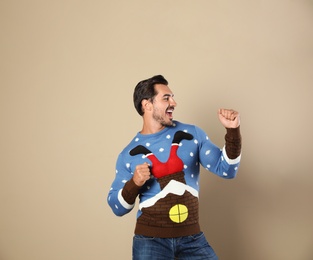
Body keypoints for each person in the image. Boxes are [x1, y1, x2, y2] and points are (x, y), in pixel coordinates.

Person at [107, 75, 242, 260]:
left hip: (192, 239)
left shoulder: (192, 134)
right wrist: (134, 183)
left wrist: (232, 131)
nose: (174, 103)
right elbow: (117, 207)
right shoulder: (128, 154)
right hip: (149, 241)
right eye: (166, 98)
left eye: (173, 97)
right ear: (147, 105)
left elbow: (227, 170)